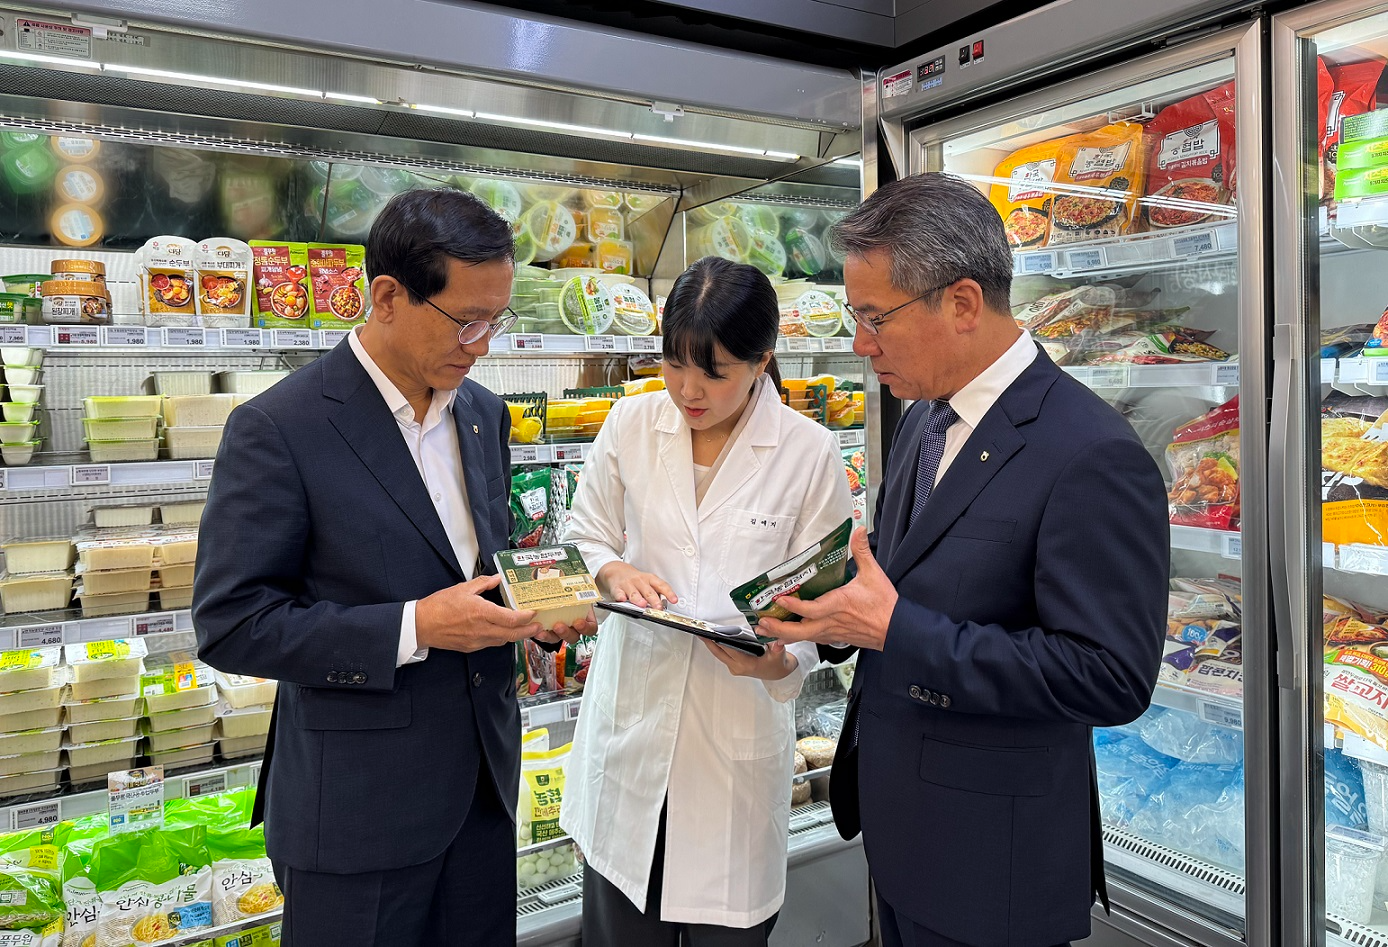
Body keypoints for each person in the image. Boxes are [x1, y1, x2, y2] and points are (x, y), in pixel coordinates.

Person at [761, 172, 1170, 947]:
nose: (860, 343)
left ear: (962, 303)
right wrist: (816, 613)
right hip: (905, 836)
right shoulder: (925, 418)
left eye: (875, 317)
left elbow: (1110, 675)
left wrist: (896, 630)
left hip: (994, 868)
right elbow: (907, 572)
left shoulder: (1091, 454)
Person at [193, 188, 591, 947]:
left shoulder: (481, 414)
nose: (482, 344)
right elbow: (232, 621)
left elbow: (477, 562)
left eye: (495, 321)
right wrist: (415, 626)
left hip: (481, 792)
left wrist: (535, 605)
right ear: (386, 296)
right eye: (467, 321)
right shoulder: (280, 427)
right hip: (356, 816)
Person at [561, 256, 853, 946]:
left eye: (714, 371)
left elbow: (824, 603)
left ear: (762, 361)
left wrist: (777, 662)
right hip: (629, 742)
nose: (689, 389)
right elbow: (585, 534)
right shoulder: (630, 424)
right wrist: (613, 572)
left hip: (733, 750)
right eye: (674, 365)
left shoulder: (808, 452)